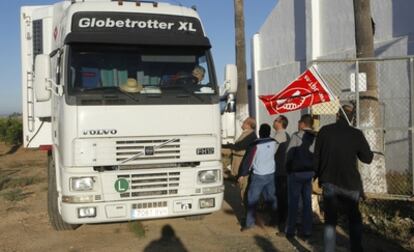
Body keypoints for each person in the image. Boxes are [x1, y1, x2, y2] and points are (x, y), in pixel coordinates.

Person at [314, 104, 373, 252]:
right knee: (354, 217)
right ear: (352, 119)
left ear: (337, 115)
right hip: (350, 182)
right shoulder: (356, 134)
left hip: (329, 180)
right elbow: (367, 158)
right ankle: (356, 248)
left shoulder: (324, 131)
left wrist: (315, 176)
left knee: (330, 219)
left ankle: (329, 249)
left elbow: (317, 158)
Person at [238, 123, 278, 231]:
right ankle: (274, 221)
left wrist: (242, 174)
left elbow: (249, 160)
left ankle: (249, 224)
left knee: (252, 200)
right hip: (271, 174)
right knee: (271, 199)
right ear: (269, 132)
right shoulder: (274, 142)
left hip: (258, 176)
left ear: (260, 132)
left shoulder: (255, 144)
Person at [285, 114, 316, 238]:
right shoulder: (315, 137)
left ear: (303, 124)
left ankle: (290, 230)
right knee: (307, 201)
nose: (298, 124)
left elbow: (289, 155)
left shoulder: (296, 136)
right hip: (309, 173)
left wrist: (287, 169)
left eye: (299, 122)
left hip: (296, 173)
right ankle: (307, 230)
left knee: (294, 201)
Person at [222, 117, 257, 202]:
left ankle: (247, 212)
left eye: (244, 122)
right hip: (239, 164)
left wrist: (226, 146)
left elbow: (238, 147)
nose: (242, 124)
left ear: (248, 125)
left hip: (242, 165)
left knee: (244, 189)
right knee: (241, 188)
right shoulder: (246, 133)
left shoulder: (250, 135)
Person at [272, 115, 290, 233]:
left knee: (280, 196)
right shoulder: (286, 135)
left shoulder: (279, 135)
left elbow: (272, 152)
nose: (274, 122)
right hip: (284, 170)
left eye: (276, 120)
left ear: (280, 123)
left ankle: (281, 221)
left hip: (279, 170)